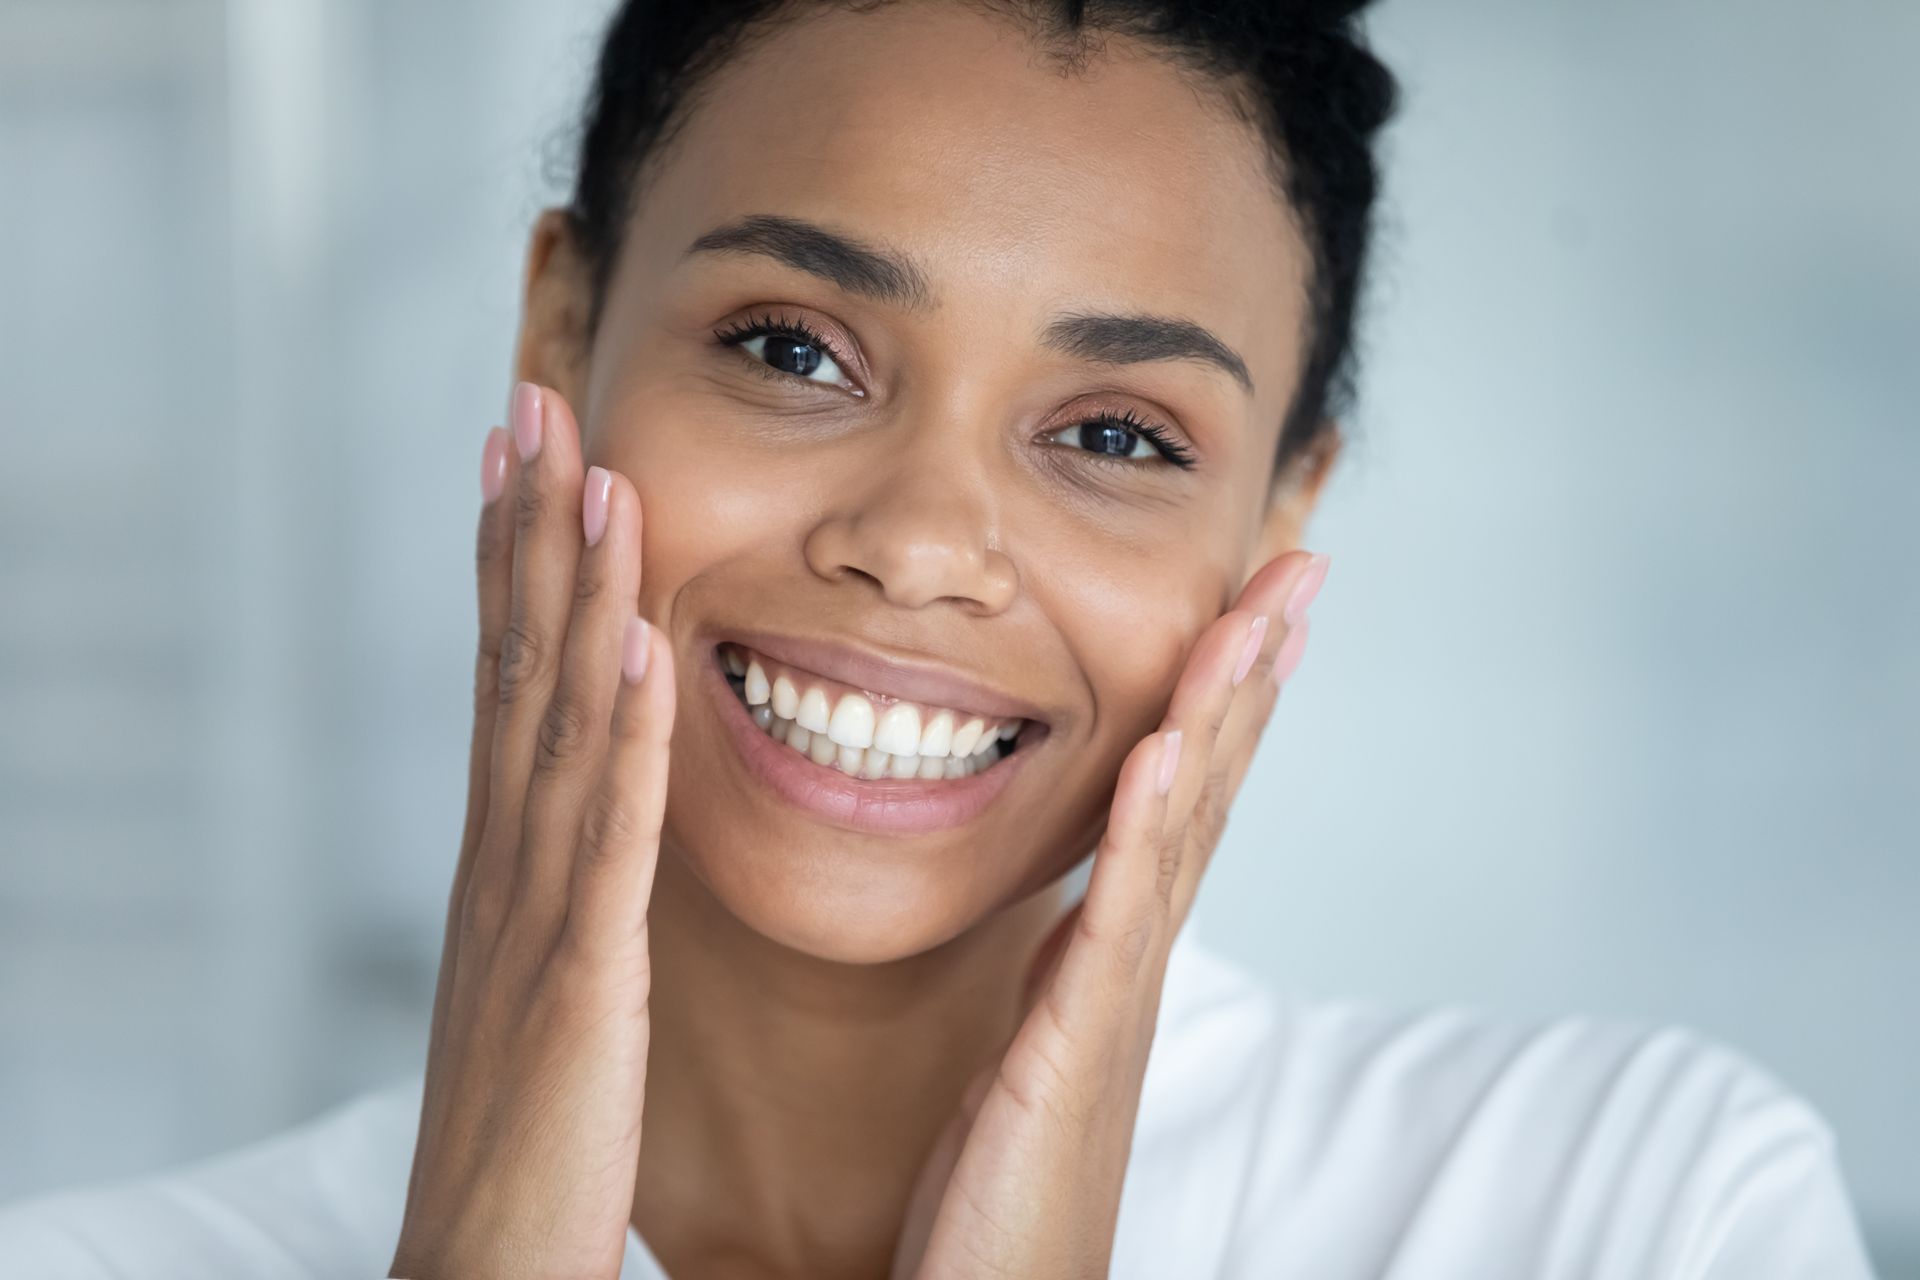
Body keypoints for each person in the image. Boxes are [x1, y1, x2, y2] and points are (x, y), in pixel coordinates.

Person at [0, 1, 1881, 1276]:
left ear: (1284, 512)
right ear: (563, 323)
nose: (916, 546)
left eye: (1120, 438)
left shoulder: (1619, 1210)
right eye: (793, 349)